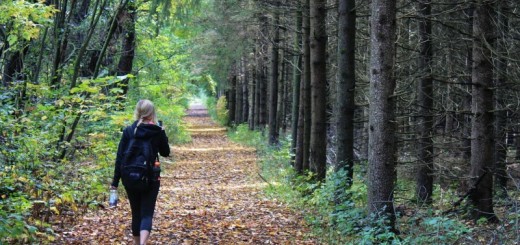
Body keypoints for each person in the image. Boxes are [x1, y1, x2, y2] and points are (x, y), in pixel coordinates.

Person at [111, 99, 170, 245]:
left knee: (136, 213)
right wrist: (163, 133)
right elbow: (165, 152)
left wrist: (115, 183)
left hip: (129, 178)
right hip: (151, 178)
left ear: (138, 112)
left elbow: (120, 158)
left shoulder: (128, 131)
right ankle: (143, 243)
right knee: (146, 213)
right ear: (152, 113)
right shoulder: (156, 131)